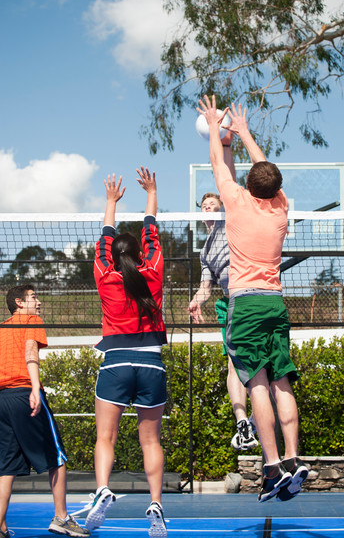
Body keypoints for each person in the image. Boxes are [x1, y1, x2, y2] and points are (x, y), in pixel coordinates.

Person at [197, 95, 308, 503]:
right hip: (276, 303)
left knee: (257, 383)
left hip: (245, 304)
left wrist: (216, 128)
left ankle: (273, 465)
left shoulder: (237, 202)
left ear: (249, 185)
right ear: (277, 189)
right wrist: (243, 133)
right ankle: (294, 458)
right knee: (282, 381)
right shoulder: (281, 208)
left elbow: (216, 162)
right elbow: (266, 173)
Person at [85, 169, 167, 537]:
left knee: (106, 438)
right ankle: (156, 504)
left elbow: (105, 238)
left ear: (114, 256)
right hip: (151, 364)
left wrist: (110, 202)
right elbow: (152, 231)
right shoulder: (153, 272)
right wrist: (151, 192)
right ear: (138, 254)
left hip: (115, 363)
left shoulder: (105, 275)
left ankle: (103, 489)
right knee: (151, 441)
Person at [0, 284, 90, 538]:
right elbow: (30, 350)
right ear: (19, 302)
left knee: (6, 467)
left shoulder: (2, 328)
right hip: (23, 395)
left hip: (2, 400)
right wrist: (35, 388)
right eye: (33, 297)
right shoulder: (31, 320)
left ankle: (1, 526)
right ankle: (61, 518)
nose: (38, 302)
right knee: (56, 458)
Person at [188, 131, 258, 451]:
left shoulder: (230, 221)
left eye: (213, 204)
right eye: (204, 205)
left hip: (253, 293)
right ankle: (243, 423)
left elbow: (227, 178)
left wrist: (225, 144)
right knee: (233, 364)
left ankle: (258, 418)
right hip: (232, 303)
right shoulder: (204, 252)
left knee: (261, 365)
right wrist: (196, 301)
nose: (208, 208)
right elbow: (206, 287)